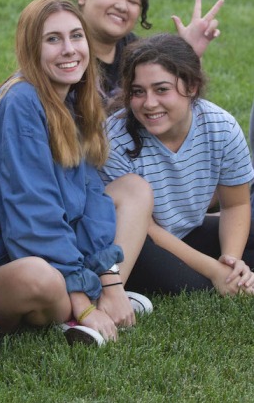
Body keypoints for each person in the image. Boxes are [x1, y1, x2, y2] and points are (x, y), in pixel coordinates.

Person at [0, 0, 152, 345]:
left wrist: (110, 280)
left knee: (133, 189)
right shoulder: (22, 101)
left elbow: (90, 199)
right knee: (40, 278)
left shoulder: (75, 99)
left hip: (37, 247)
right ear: (31, 49)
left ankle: (102, 301)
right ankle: (78, 314)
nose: (69, 49)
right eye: (52, 39)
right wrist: (82, 303)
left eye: (76, 36)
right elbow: (31, 216)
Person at [100, 33, 254, 296]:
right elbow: (146, 228)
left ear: (191, 87)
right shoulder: (114, 138)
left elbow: (236, 204)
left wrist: (230, 261)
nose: (149, 103)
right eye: (138, 92)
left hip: (188, 230)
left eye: (162, 89)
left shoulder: (222, 127)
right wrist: (213, 270)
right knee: (192, 285)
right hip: (137, 243)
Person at [73, 0, 223, 100]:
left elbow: (178, 105)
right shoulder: (64, 48)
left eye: (133, 1)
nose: (122, 6)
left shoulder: (139, 52)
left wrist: (189, 54)